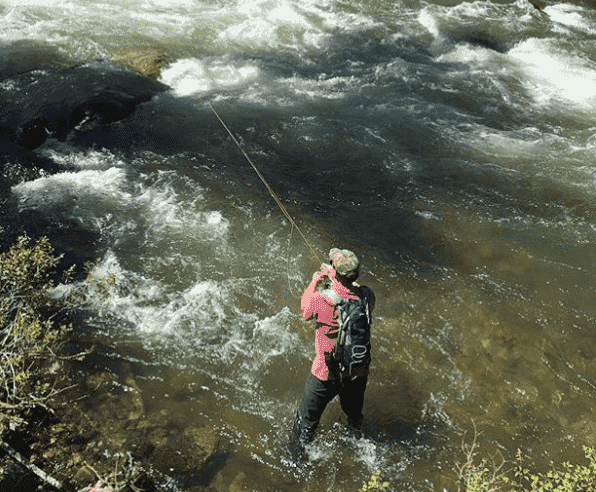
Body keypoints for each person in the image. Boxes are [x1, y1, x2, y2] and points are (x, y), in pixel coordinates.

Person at [291, 248, 375, 451]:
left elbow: (305, 311)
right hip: (356, 371)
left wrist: (316, 280)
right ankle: (356, 446)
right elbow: (352, 291)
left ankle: (298, 462)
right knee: (354, 417)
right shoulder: (367, 296)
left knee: (305, 424)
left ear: (336, 273)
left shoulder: (323, 299)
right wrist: (337, 279)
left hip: (326, 374)